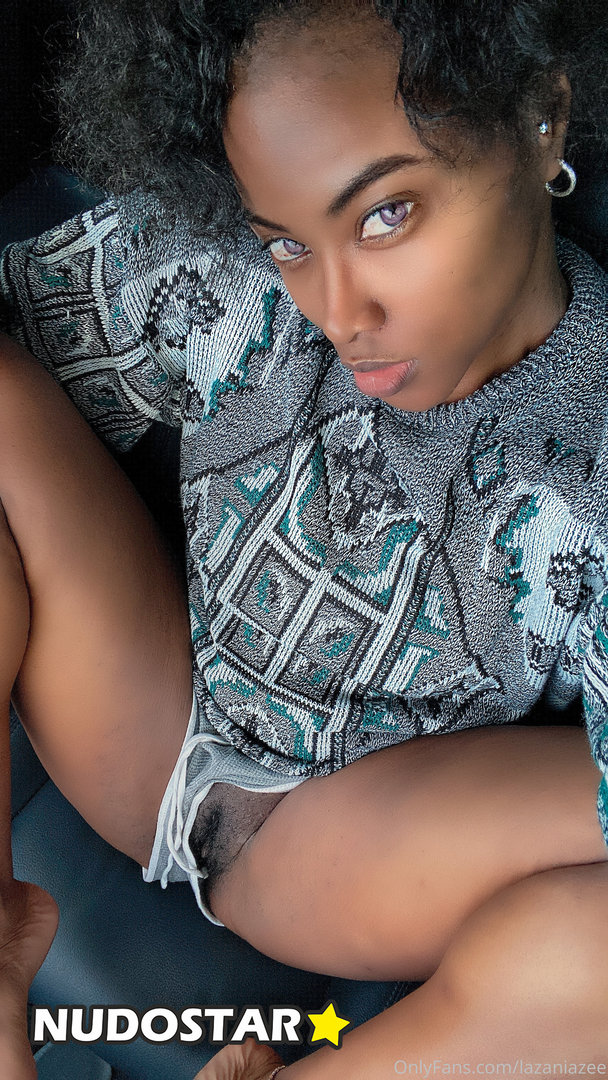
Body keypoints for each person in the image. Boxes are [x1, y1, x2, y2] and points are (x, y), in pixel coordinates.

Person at [1, 0, 608, 1076]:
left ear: (541, 118)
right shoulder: (231, 286)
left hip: (328, 843)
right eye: (285, 240)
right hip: (148, 720)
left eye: (385, 216)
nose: (337, 311)